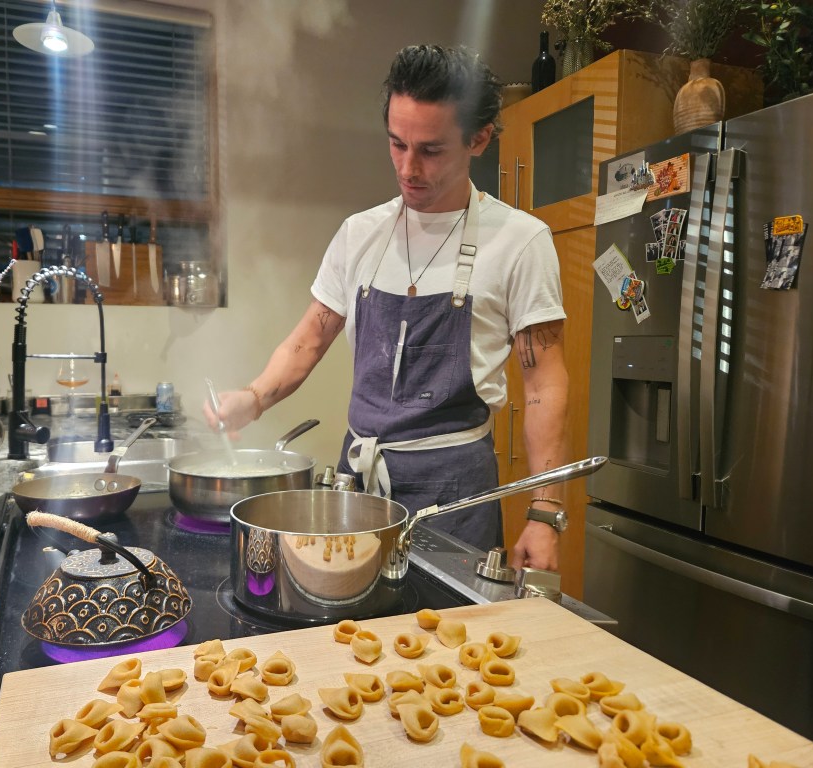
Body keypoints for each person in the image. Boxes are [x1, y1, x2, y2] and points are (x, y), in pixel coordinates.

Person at [209, 44, 569, 571]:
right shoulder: (360, 234)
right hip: (359, 490)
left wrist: (546, 512)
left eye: (431, 150)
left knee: (449, 642)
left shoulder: (520, 241)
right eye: (397, 145)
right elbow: (310, 338)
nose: (408, 167)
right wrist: (253, 397)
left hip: (457, 496)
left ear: (479, 139)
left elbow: (545, 385)